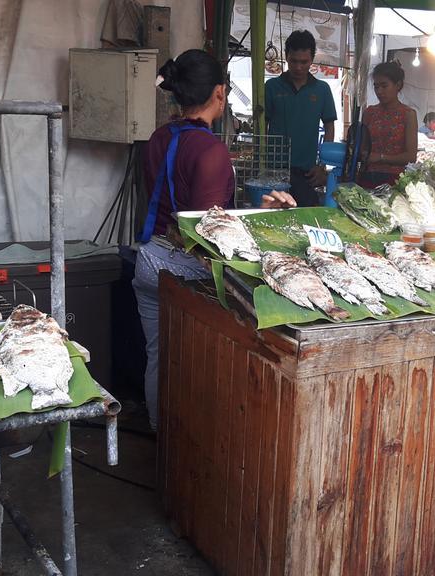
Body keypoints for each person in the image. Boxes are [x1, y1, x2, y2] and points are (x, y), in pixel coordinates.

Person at [134, 49, 295, 429]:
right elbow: (208, 236)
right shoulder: (211, 151)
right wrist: (265, 218)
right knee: (197, 366)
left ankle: (162, 445)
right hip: (185, 271)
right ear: (220, 93)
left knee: (158, 358)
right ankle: (185, 455)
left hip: (149, 257)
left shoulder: (158, 137)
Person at [265, 30, 338, 206]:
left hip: (307, 172)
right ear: (286, 57)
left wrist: (322, 165)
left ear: (312, 60)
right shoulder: (271, 86)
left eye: (304, 62)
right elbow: (261, 125)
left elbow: (329, 126)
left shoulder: (322, 89)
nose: (298, 67)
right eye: (294, 61)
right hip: (275, 169)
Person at [357, 61, 419, 188]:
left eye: (384, 86)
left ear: (398, 85)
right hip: (367, 177)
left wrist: (380, 157)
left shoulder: (408, 114)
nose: (379, 91)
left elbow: (411, 156)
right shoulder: (369, 112)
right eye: (376, 86)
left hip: (395, 181)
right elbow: (363, 149)